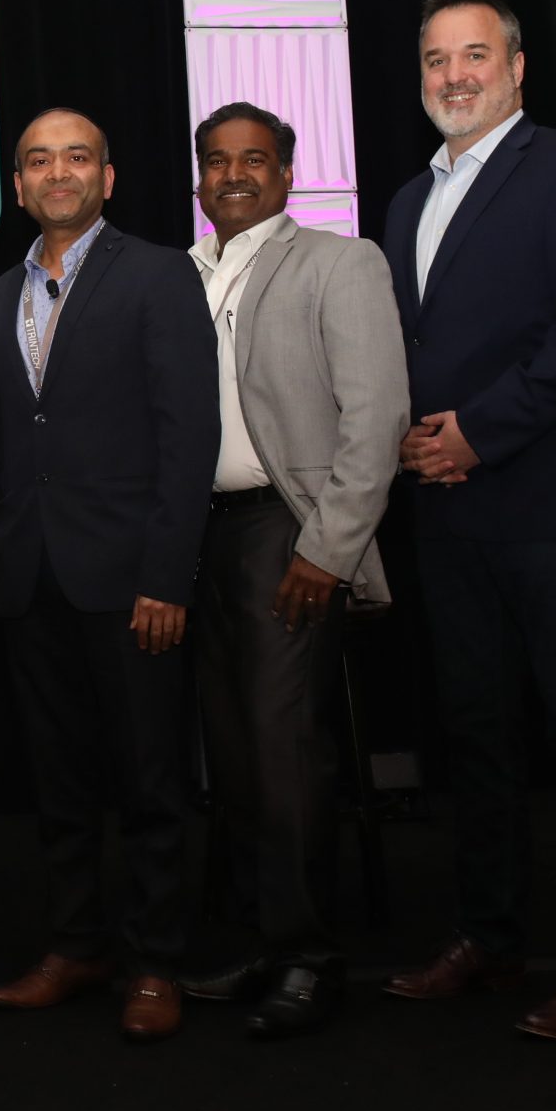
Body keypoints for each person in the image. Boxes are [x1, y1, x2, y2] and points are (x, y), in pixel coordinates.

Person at [379, 0, 556, 1041]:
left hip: (552, 498)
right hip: (446, 508)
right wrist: (409, 438)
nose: (454, 75)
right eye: (436, 59)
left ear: (518, 66)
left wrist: (480, 431)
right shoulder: (408, 199)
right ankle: (489, 936)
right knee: (475, 732)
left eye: (474, 55)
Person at [0, 108, 218, 1043]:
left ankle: (156, 961)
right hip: (31, 577)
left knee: (152, 781)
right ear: (18, 186)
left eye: (77, 157)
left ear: (107, 178)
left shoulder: (158, 275)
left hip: (133, 580)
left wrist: (168, 574)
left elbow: (189, 434)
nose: (59, 172)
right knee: (58, 781)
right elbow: (2, 443)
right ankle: (74, 945)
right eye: (39, 160)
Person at [176, 103, 406, 1039]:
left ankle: (311, 956)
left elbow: (377, 418)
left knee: (285, 753)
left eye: (255, 159)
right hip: (202, 538)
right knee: (232, 757)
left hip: (289, 530)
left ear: (286, 174)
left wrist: (327, 549)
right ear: (199, 178)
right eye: (217, 160)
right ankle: (261, 944)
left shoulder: (340, 264)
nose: (234, 174)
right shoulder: (182, 273)